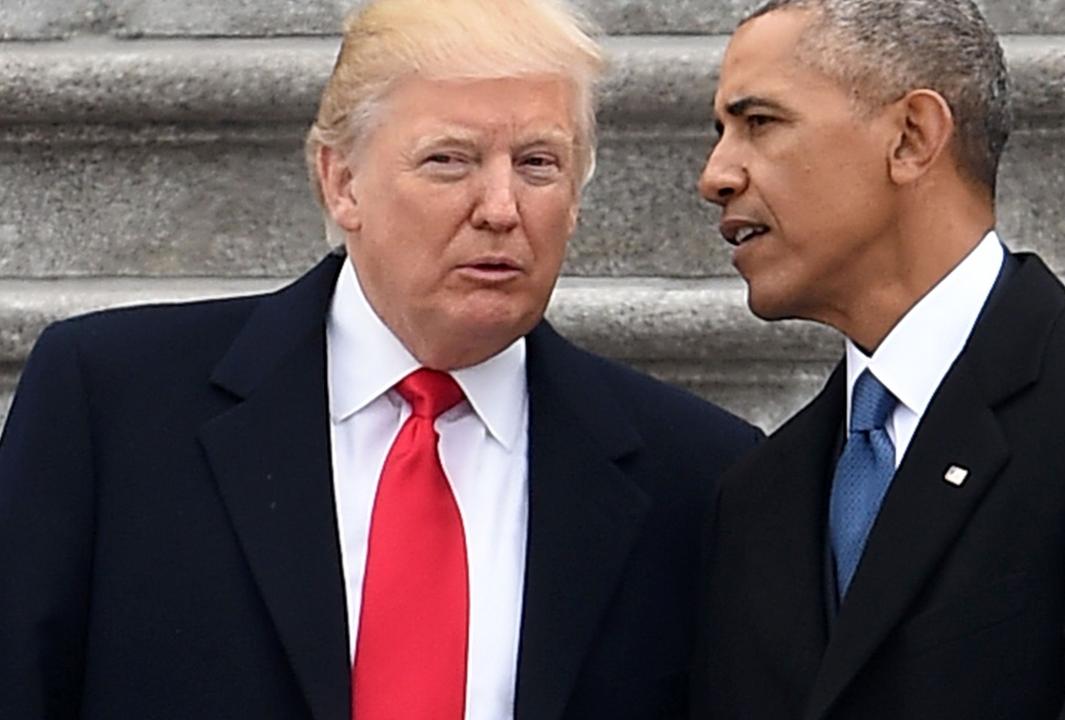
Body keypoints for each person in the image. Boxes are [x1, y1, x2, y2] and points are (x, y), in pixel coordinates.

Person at [0, 0, 760, 718]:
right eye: (449, 160)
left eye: (537, 164)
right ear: (341, 181)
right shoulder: (114, 402)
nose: (501, 208)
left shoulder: (695, 474)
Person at [691, 1, 1065, 718]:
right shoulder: (759, 491)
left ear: (912, 137)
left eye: (760, 124)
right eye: (721, 132)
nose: (716, 175)